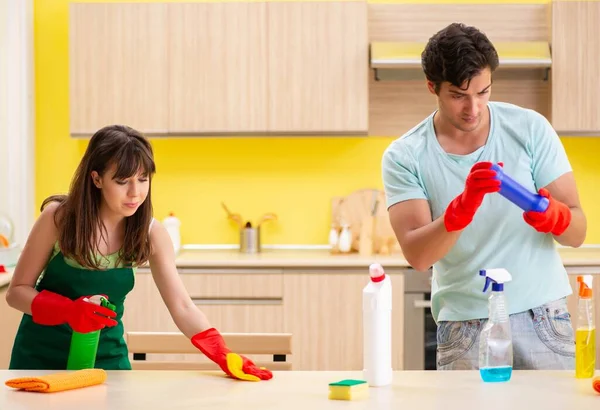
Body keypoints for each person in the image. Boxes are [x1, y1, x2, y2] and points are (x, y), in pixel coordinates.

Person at [381, 23, 587, 370]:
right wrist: (460, 210)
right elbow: (417, 256)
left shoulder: (530, 128)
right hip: (465, 326)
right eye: (458, 95)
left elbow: (578, 233)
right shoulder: (405, 155)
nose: (473, 108)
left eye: (483, 92)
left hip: (544, 318)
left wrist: (555, 216)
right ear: (433, 87)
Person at [6, 125, 272, 381]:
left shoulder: (150, 233)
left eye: (143, 179)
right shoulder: (58, 219)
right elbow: (16, 291)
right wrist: (68, 311)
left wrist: (222, 353)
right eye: (122, 181)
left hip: (107, 363)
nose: (135, 193)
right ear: (96, 179)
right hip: (39, 361)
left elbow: (182, 306)